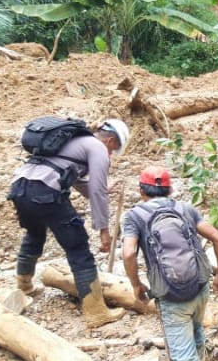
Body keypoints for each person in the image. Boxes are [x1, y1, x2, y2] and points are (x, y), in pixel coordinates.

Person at [121, 165, 218, 361]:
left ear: (141, 190)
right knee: (196, 332)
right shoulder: (185, 209)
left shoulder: (135, 216)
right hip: (200, 286)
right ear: (170, 189)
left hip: (171, 296)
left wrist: (135, 284)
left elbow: (130, 252)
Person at [9, 119, 130, 328]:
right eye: (114, 149)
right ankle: (96, 312)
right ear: (110, 140)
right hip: (45, 192)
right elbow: (98, 191)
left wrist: (99, 189)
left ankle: (24, 285)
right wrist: (104, 231)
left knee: (35, 233)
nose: (111, 154)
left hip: (20, 188)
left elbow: (74, 179)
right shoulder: (97, 148)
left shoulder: (71, 142)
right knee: (78, 248)